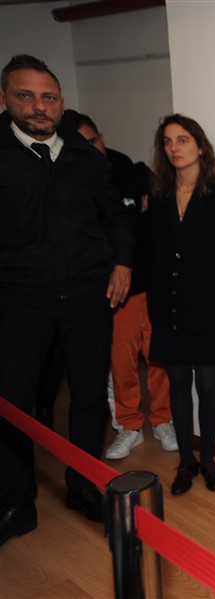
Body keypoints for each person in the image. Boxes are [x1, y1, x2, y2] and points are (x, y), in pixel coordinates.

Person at [0, 54, 134, 545]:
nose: (39, 106)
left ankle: (83, 485)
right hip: (21, 299)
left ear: (61, 103)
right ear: (4, 99)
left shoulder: (86, 158)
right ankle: (16, 502)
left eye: (49, 97)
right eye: (26, 96)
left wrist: (123, 262)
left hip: (86, 295)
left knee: (88, 397)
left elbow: (116, 218)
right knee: (12, 404)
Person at [59, 109, 176, 459]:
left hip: (152, 286)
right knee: (120, 364)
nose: (90, 149)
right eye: (81, 144)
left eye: (93, 140)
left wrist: (125, 225)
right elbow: (92, 236)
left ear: (102, 138)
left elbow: (158, 224)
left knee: (160, 359)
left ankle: (164, 419)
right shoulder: (70, 181)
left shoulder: (136, 173)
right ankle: (128, 426)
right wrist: (132, 220)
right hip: (113, 292)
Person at [147, 114, 215, 496]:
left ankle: (209, 460)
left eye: (182, 140)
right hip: (168, 308)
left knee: (207, 384)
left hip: (209, 309)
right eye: (168, 141)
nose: (174, 148)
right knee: (179, 385)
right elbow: (152, 254)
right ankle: (185, 462)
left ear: (200, 147)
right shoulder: (159, 197)